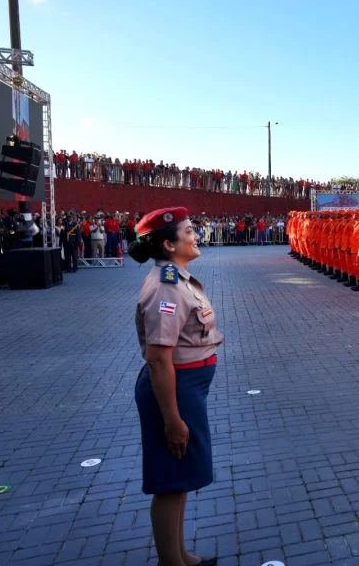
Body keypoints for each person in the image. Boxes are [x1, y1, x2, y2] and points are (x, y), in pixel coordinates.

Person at [129, 207, 222, 566]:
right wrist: (172, 419)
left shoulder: (176, 277)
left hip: (186, 388)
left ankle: (180, 555)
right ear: (169, 244)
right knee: (170, 479)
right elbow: (158, 357)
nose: (195, 236)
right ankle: (171, 562)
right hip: (174, 390)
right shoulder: (167, 287)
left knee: (180, 476)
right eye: (188, 232)